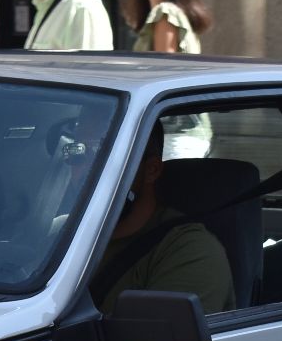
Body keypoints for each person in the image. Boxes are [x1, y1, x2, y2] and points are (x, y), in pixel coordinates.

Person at [97, 121, 232, 315]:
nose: (86, 172)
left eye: (104, 156)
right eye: (77, 153)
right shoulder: (61, 234)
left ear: (151, 170)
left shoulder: (191, 250)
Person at [122, 0, 213, 158]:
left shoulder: (166, 13)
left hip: (174, 135)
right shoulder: (168, 13)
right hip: (181, 132)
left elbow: (160, 80)